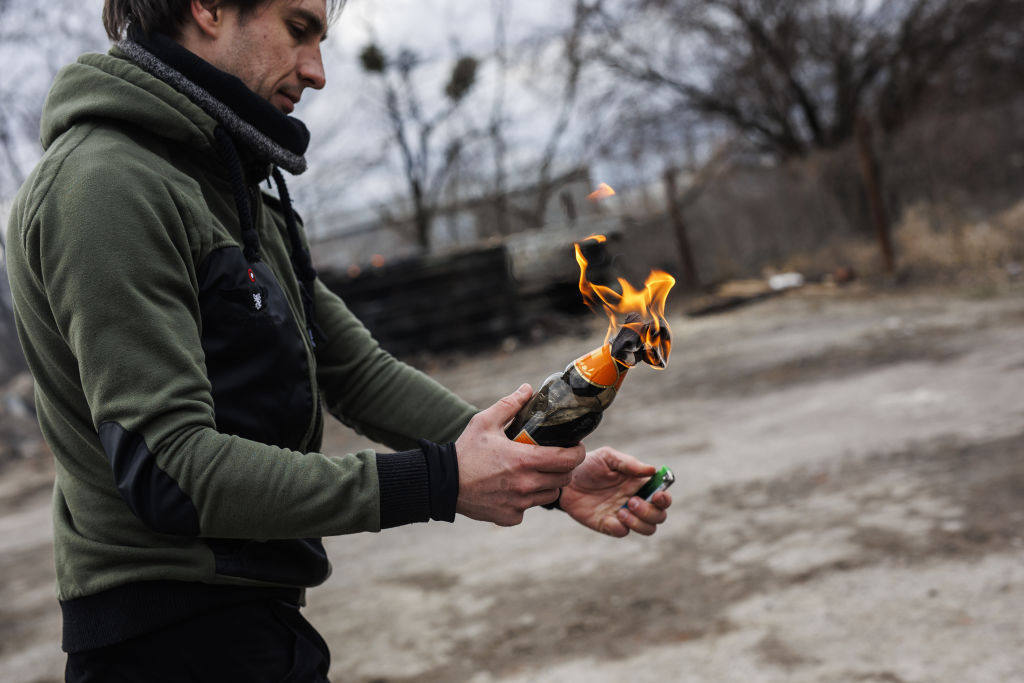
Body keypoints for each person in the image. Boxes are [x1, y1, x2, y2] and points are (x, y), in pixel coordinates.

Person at [4, 0, 673, 680]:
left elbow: (356, 372)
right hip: (163, 643)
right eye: (298, 30)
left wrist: (540, 469)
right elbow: (172, 470)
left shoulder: (229, 192)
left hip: (256, 626)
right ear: (206, 7)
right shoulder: (104, 186)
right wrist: (438, 482)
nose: (317, 71)